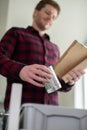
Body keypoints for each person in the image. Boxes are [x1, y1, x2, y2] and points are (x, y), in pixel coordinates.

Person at [0, 0, 84, 129]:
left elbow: (55, 84)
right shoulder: (16, 33)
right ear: (36, 12)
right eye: (47, 12)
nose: (50, 18)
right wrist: (21, 70)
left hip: (51, 114)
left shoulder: (55, 48)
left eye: (54, 17)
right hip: (19, 110)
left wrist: (69, 81)